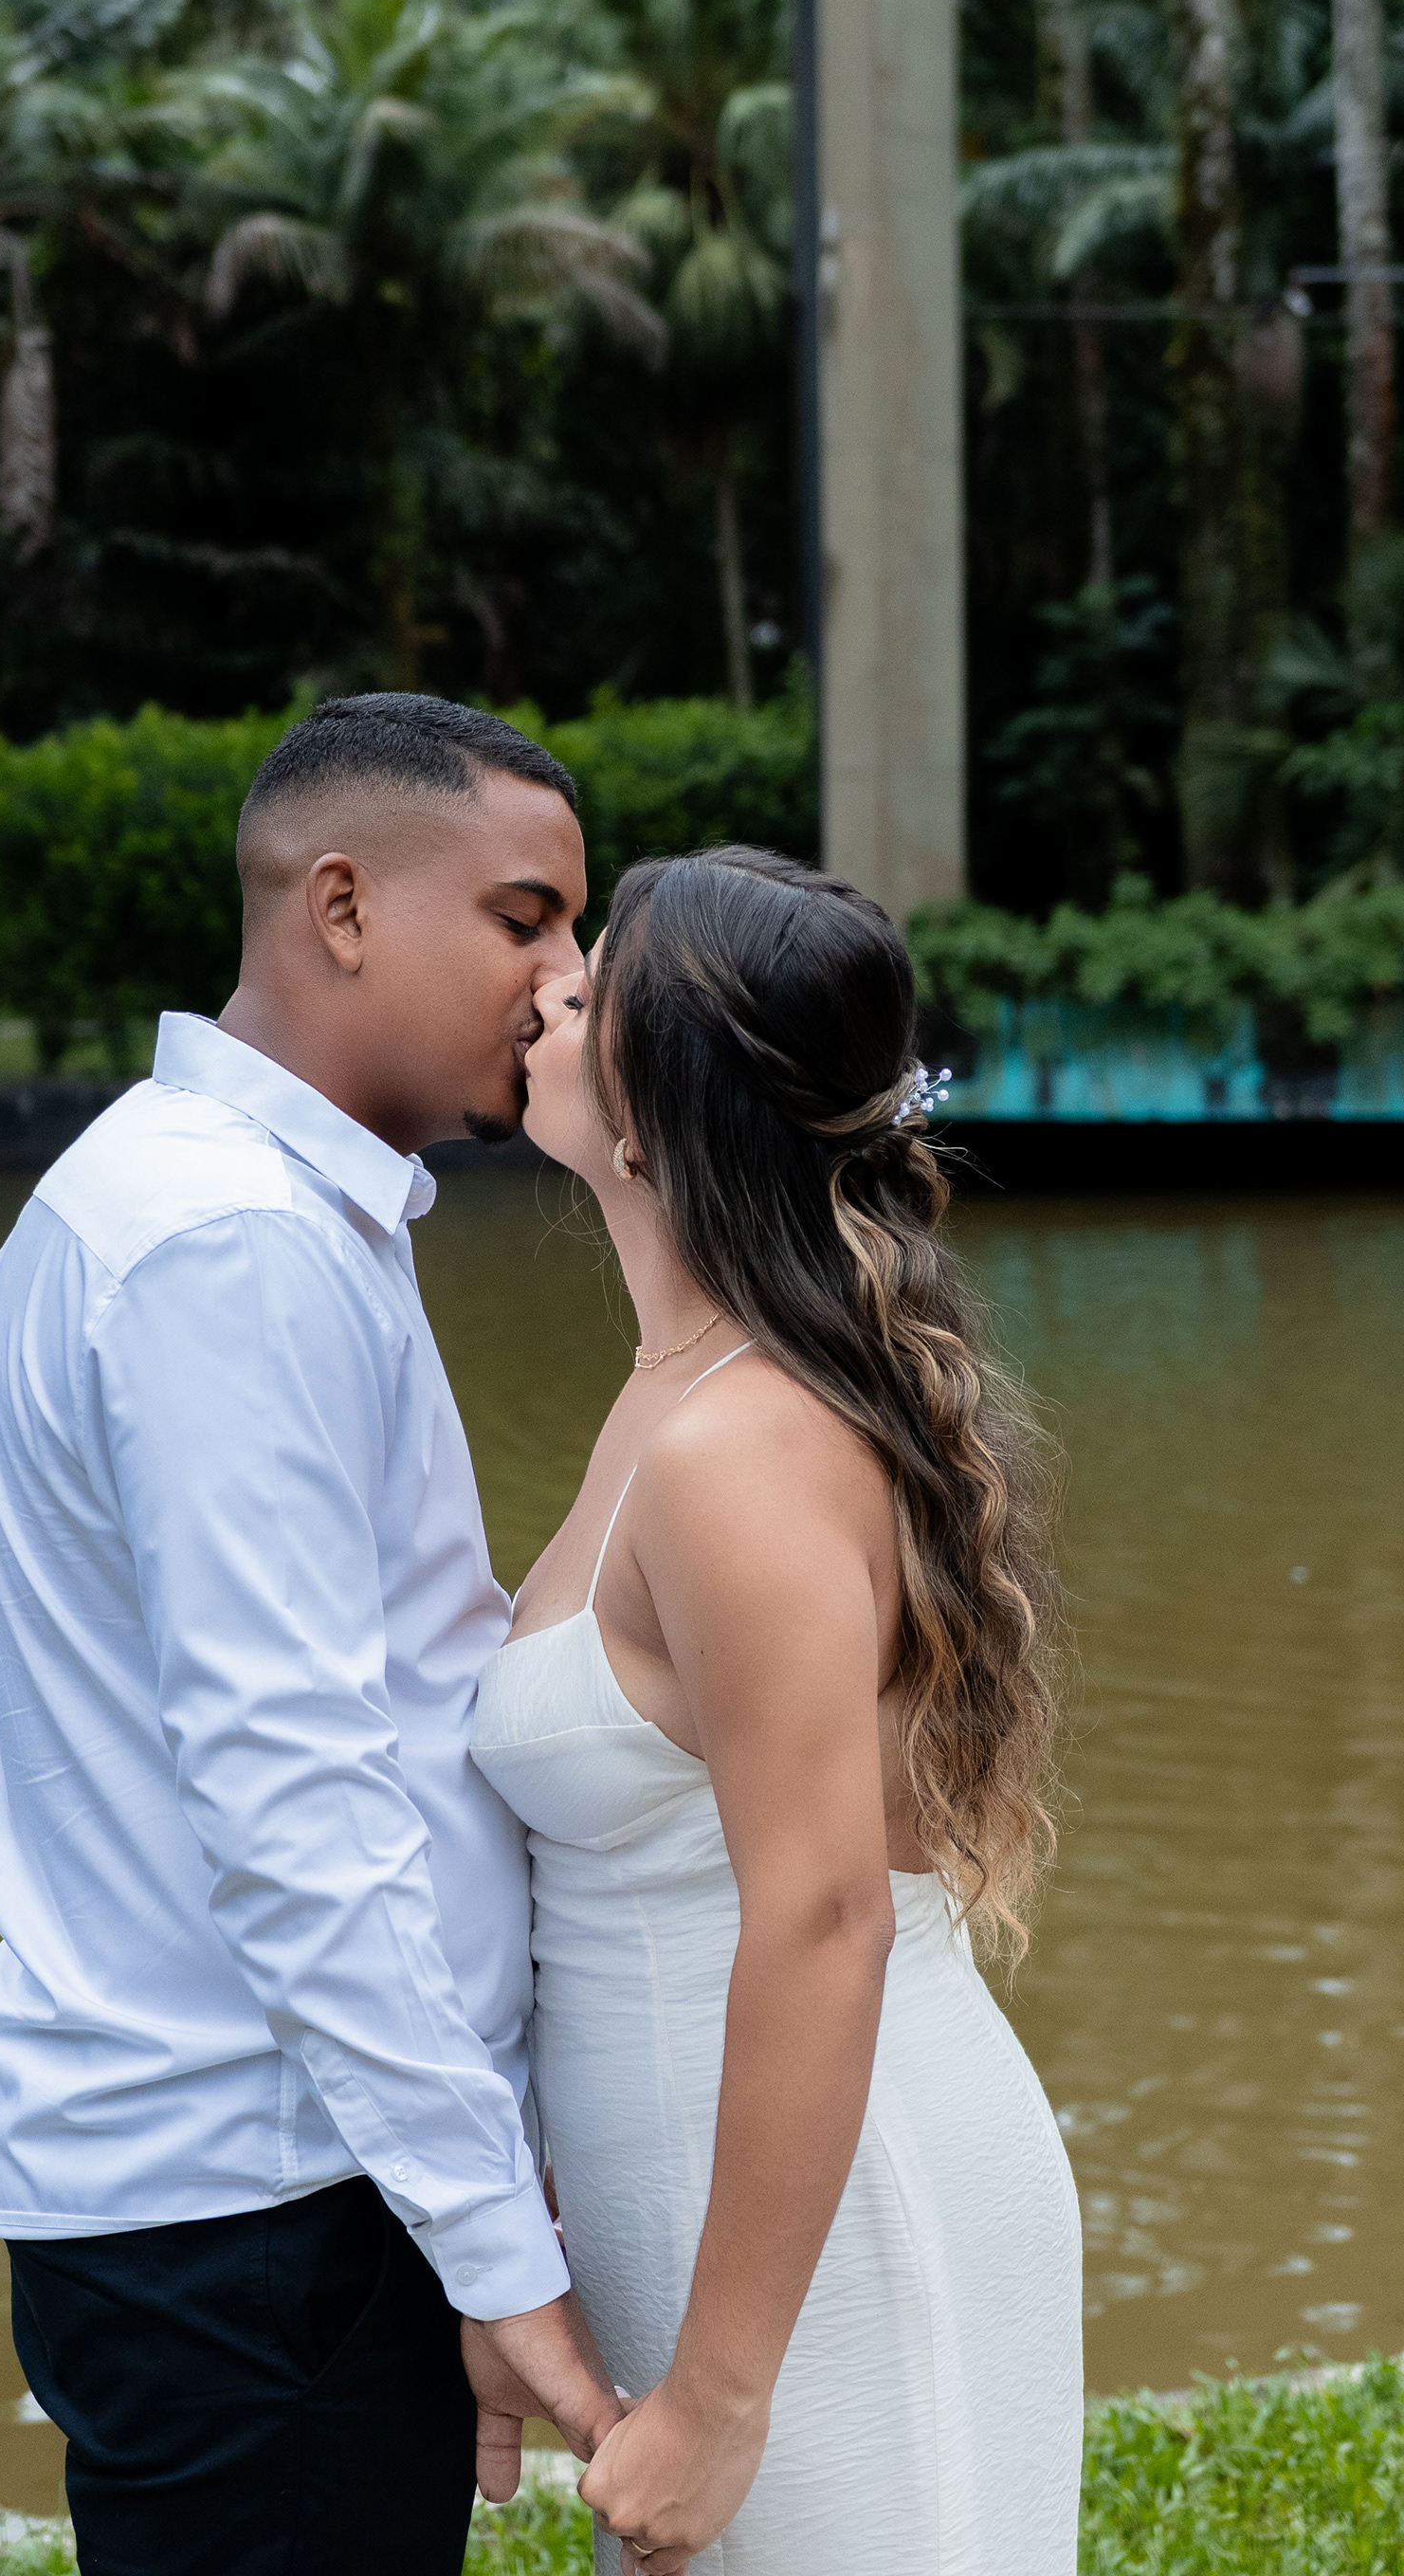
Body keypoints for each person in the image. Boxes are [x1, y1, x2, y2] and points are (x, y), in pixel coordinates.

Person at [0, 693, 628, 2576]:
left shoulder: (250, 1206)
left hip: (287, 2182)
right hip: (261, 2206)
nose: (567, 982)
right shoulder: (224, 1240)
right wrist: (492, 2246)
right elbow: (297, 1798)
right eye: (524, 919)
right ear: (341, 907)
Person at [472, 847, 1084, 2575]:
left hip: (840, 2245)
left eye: (594, 981)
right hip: (703, 2211)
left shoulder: (740, 1446)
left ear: (659, 1113)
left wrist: (725, 2397)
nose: (549, 985)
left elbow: (822, 1915)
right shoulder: (678, 1392)